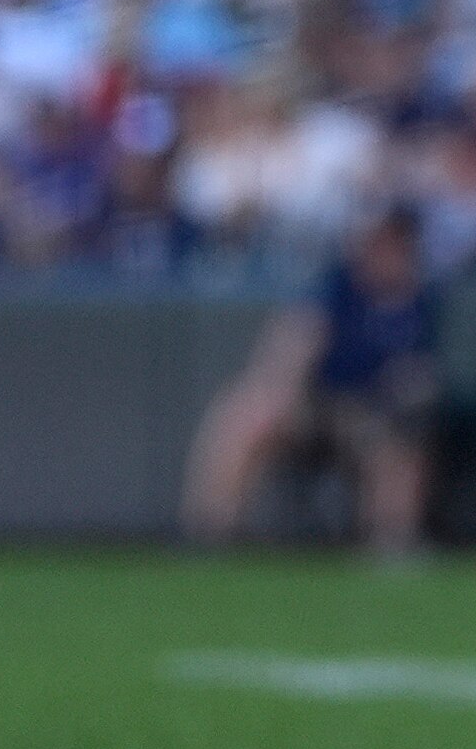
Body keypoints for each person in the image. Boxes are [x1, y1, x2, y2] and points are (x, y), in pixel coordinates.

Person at [180, 203, 446, 555]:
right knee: (243, 412)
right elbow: (293, 344)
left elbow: (424, 374)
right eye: (378, 241)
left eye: (396, 243)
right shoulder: (338, 288)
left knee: (400, 437)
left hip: (371, 412)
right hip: (314, 404)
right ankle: (210, 532)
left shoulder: (420, 300)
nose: (386, 251)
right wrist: (279, 391)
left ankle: (393, 540)